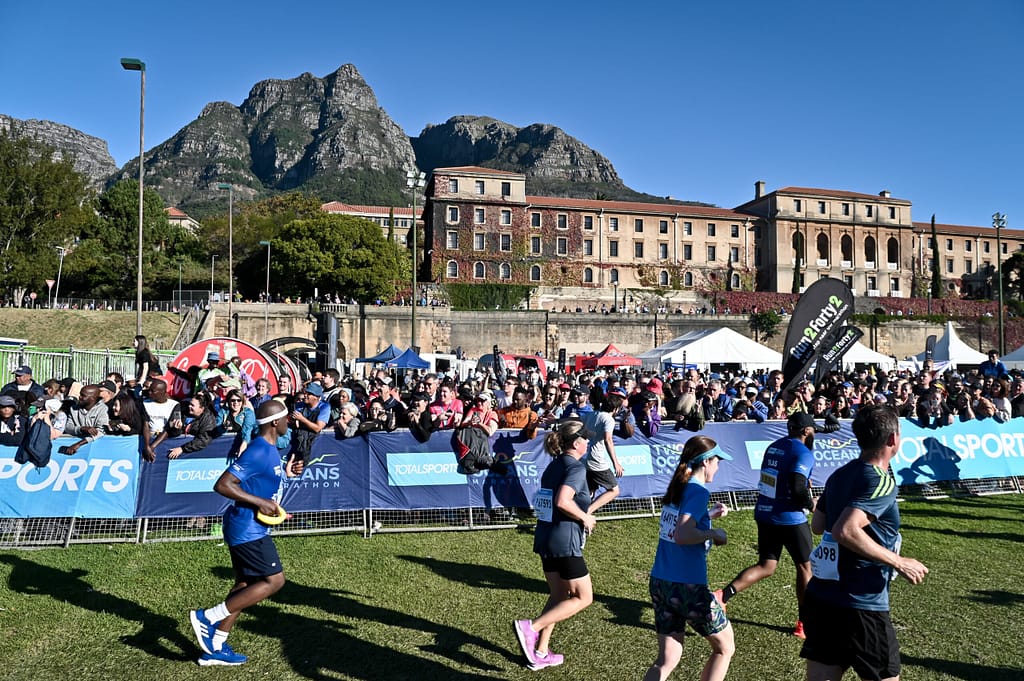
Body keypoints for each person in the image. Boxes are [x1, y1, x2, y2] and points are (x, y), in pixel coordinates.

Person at [800, 404, 929, 681]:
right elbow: (845, 530)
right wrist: (899, 561)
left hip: (822, 598)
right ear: (892, 440)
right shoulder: (881, 481)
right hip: (860, 603)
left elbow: (818, 524)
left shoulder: (840, 474)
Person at [188, 399, 305, 666]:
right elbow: (223, 484)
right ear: (276, 422)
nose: (290, 422)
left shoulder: (271, 449)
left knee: (245, 585)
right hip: (247, 529)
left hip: (250, 525)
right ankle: (207, 617)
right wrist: (261, 503)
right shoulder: (259, 450)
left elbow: (261, 483)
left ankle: (215, 647)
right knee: (274, 581)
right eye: (287, 417)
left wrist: (286, 475)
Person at [717, 412, 817, 638]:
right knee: (805, 568)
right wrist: (811, 505)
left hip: (765, 513)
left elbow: (775, 477)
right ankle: (805, 623)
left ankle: (722, 596)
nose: (814, 436)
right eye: (813, 431)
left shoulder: (773, 446)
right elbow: (798, 486)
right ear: (805, 431)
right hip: (790, 518)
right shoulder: (804, 452)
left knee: (767, 566)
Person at [643, 436, 734, 681]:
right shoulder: (697, 491)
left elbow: (681, 525)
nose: (718, 467)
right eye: (717, 461)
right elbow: (683, 534)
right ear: (706, 462)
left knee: (667, 660)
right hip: (687, 585)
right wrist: (715, 533)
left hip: (661, 581)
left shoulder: (679, 487)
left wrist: (709, 516)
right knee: (725, 648)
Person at [514, 420, 597, 671]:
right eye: (585, 438)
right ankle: (531, 628)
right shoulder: (576, 468)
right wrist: (585, 517)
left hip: (546, 537)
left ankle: (540, 651)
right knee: (584, 597)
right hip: (564, 540)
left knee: (559, 594)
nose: (589, 442)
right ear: (576, 443)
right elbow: (563, 501)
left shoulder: (554, 466)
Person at [584, 389, 626, 514]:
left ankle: (581, 518)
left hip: (586, 460)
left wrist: (556, 421)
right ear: (616, 409)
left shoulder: (592, 414)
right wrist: (616, 463)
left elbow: (574, 421)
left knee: (590, 491)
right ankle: (587, 511)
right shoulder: (609, 419)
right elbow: (608, 439)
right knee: (614, 490)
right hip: (597, 462)